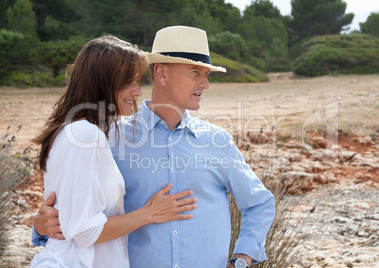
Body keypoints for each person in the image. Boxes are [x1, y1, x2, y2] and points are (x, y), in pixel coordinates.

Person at [33, 26, 275, 268]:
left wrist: (241, 259)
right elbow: (79, 215)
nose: (206, 84)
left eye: (207, 74)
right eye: (195, 73)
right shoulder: (109, 138)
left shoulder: (217, 142)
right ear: (161, 73)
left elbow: (259, 203)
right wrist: (41, 227)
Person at [30, 34, 197, 268]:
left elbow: (68, 216)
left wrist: (37, 227)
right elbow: (86, 232)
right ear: (103, 82)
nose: (138, 92)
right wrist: (150, 213)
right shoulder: (85, 135)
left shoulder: (72, 131)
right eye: (129, 82)